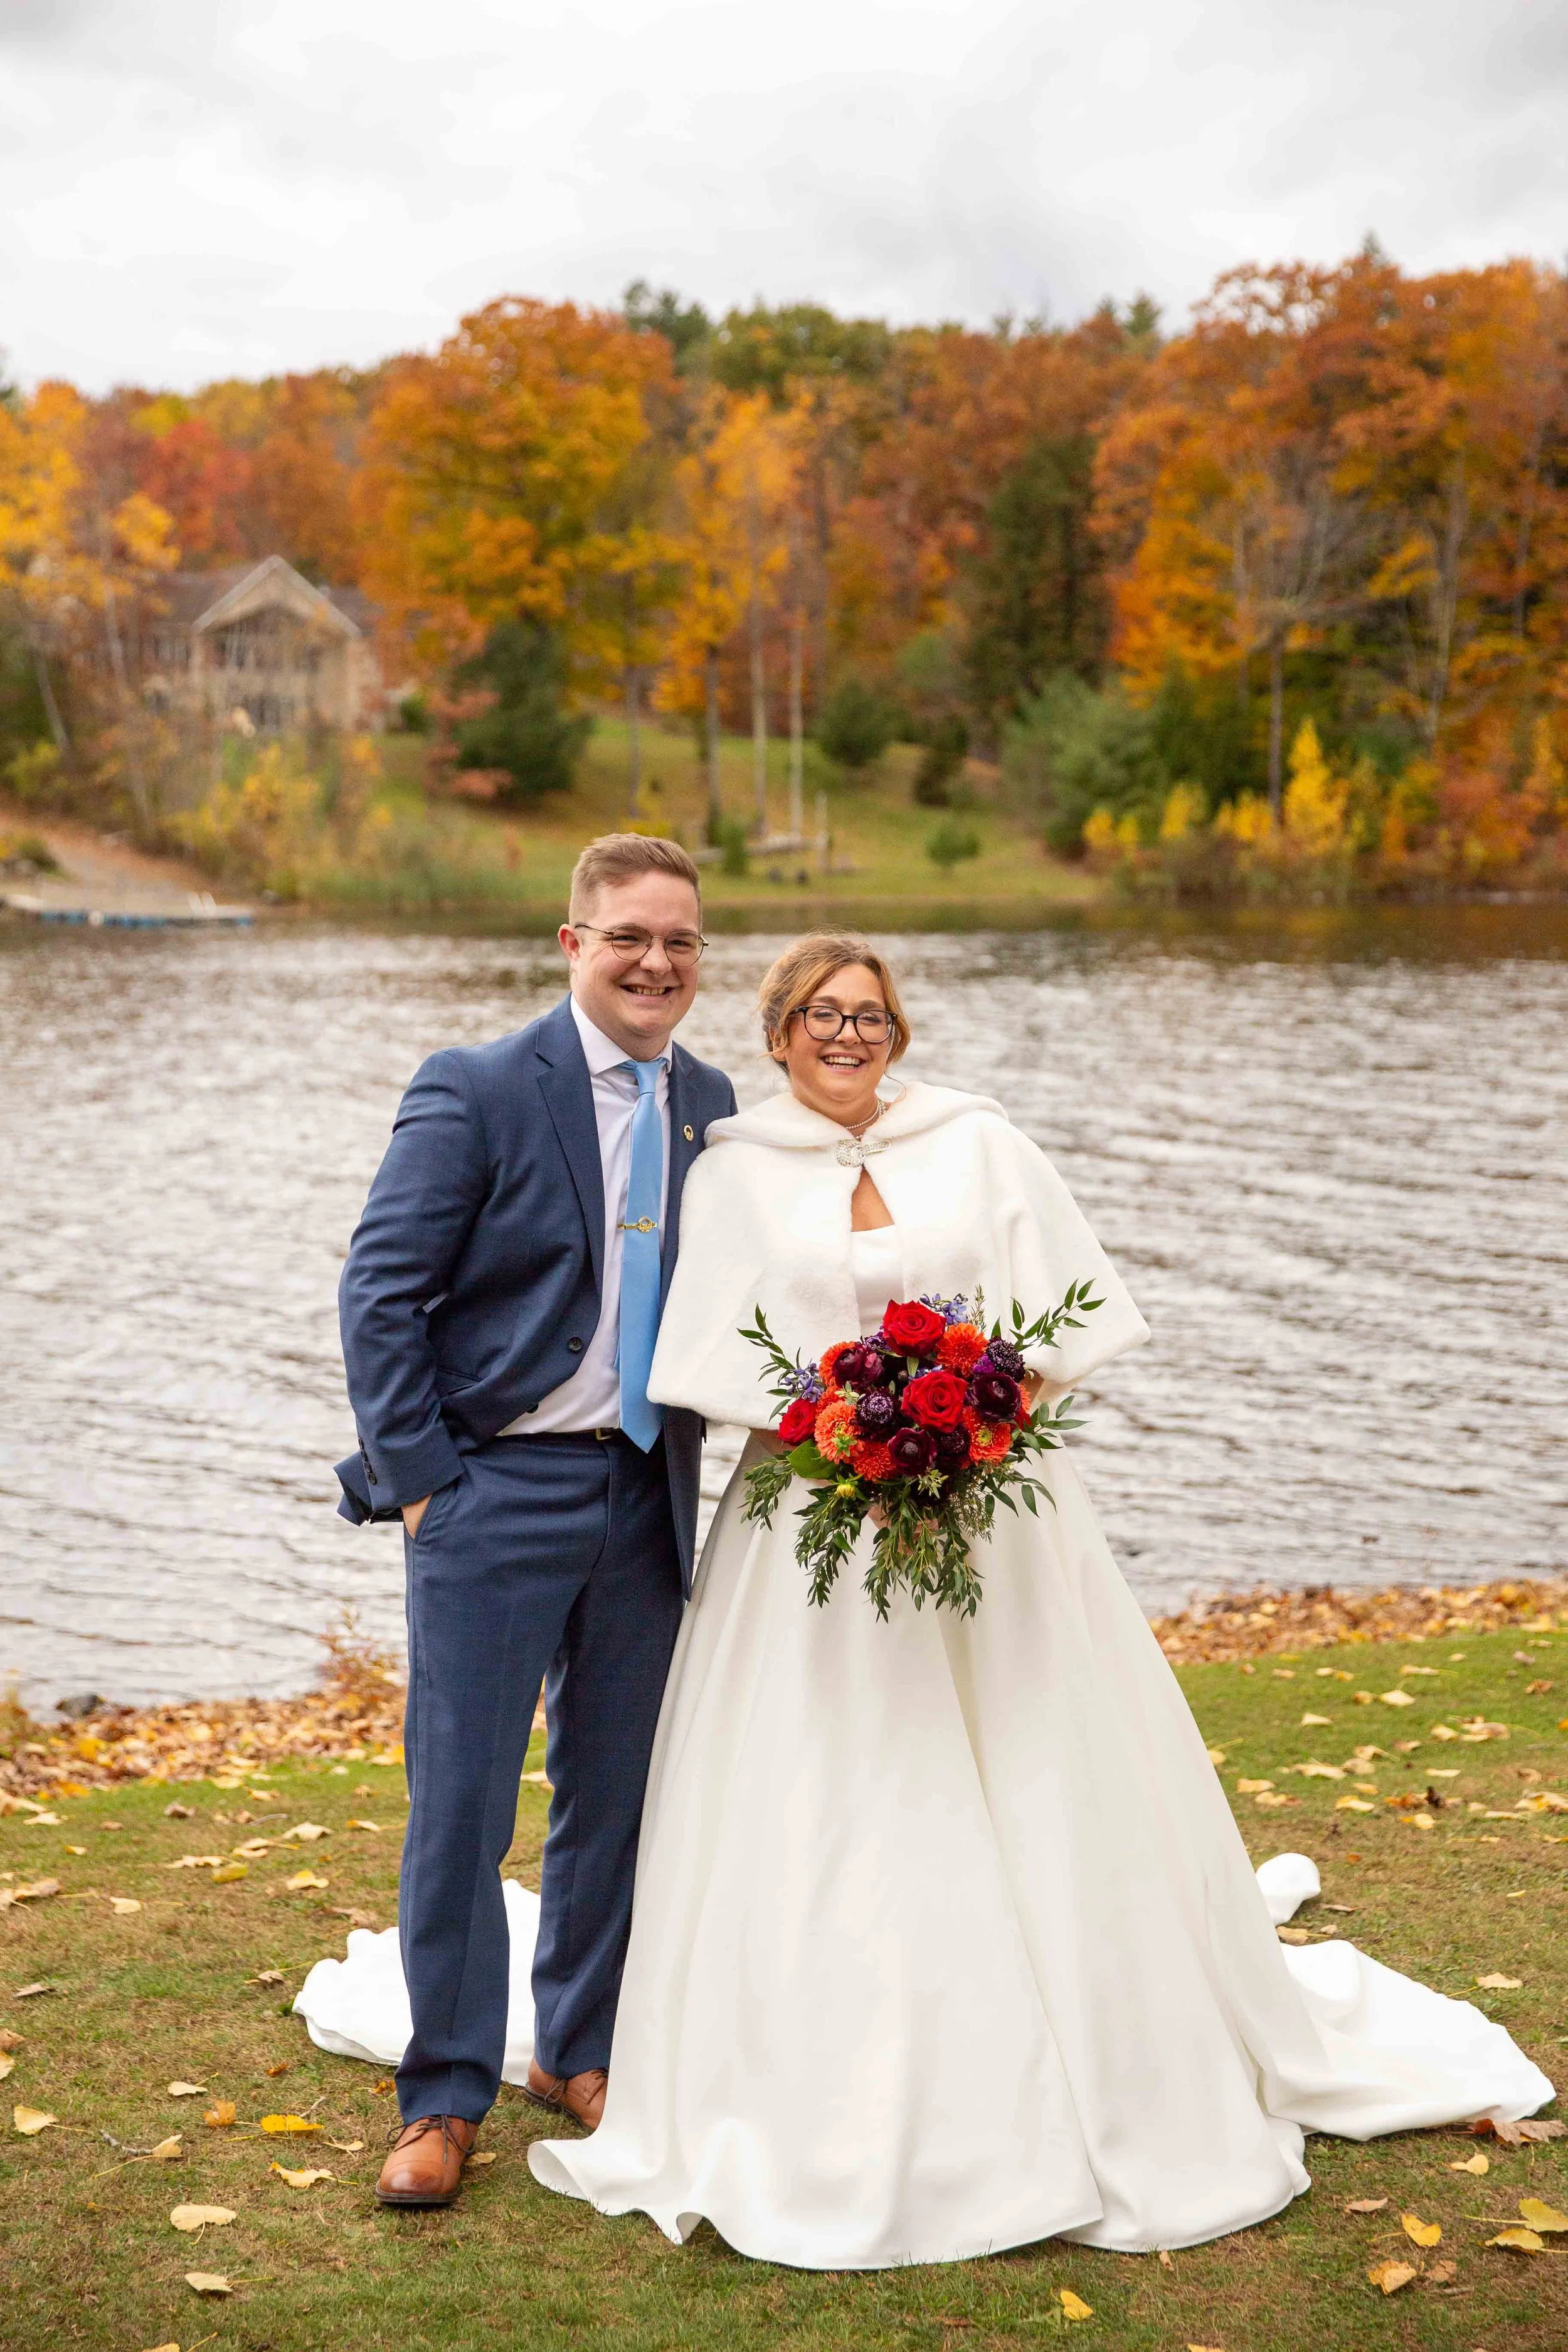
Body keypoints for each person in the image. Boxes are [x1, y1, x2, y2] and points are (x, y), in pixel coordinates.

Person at [527, 931, 1552, 2267]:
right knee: (837, 1783)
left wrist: (975, 1431)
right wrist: (834, 1434)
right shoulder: (729, 1171)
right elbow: (705, 1359)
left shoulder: (978, 1143)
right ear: (777, 1032)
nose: (851, 1035)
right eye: (824, 1016)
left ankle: (1103, 2048)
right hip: (810, 1535)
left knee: (1037, 1760)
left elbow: (1061, 1325)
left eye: (873, 1016)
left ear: (899, 1032)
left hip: (992, 1522)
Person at [333, 834, 736, 2208]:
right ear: (572, 944)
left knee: (612, 1798)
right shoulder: (479, 1087)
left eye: (679, 940)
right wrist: (426, 1480)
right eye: (629, 935)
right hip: (492, 1490)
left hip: (643, 1493)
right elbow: (379, 1294)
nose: (656, 962)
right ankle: (441, 2093)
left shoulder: (714, 1105)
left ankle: (580, 2046)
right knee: (458, 1806)